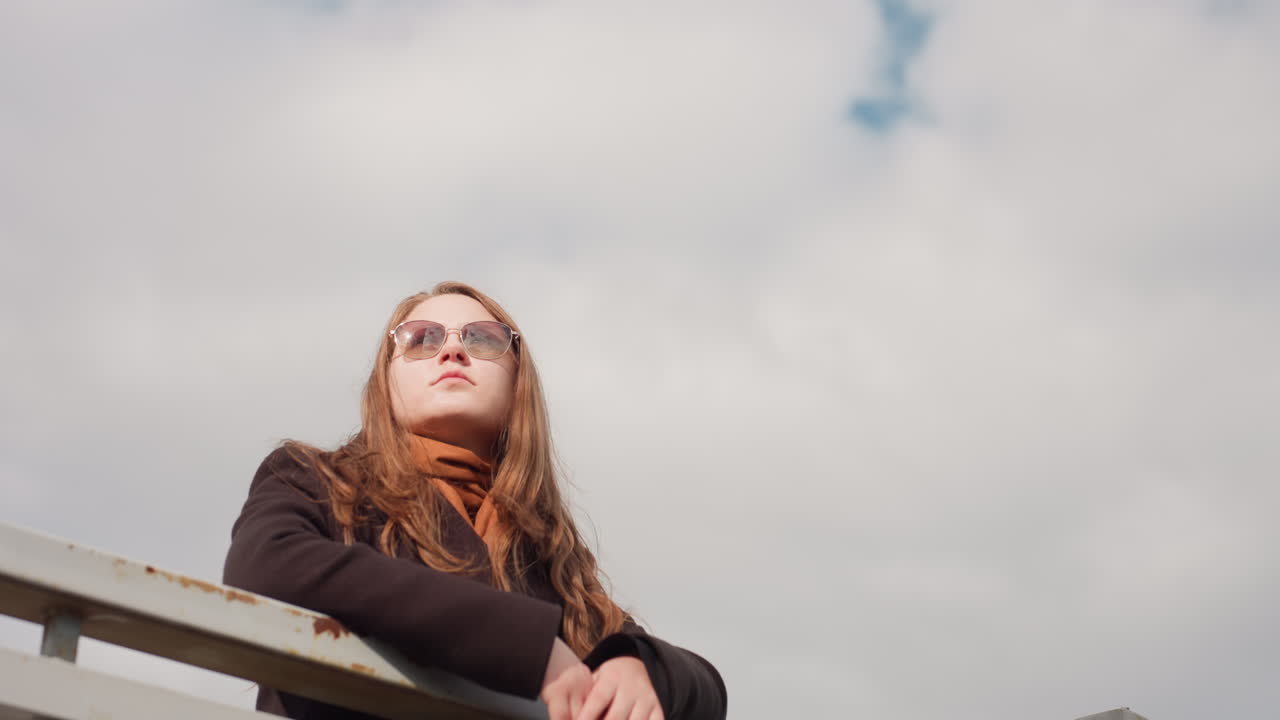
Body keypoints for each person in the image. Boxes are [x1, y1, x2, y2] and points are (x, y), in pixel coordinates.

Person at [223, 281, 727, 720]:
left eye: (483, 340)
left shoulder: (550, 559)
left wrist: (639, 665)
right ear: (386, 381)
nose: (452, 351)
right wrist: (527, 648)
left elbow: (707, 691)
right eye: (422, 339)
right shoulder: (319, 481)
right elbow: (264, 566)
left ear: (517, 385)